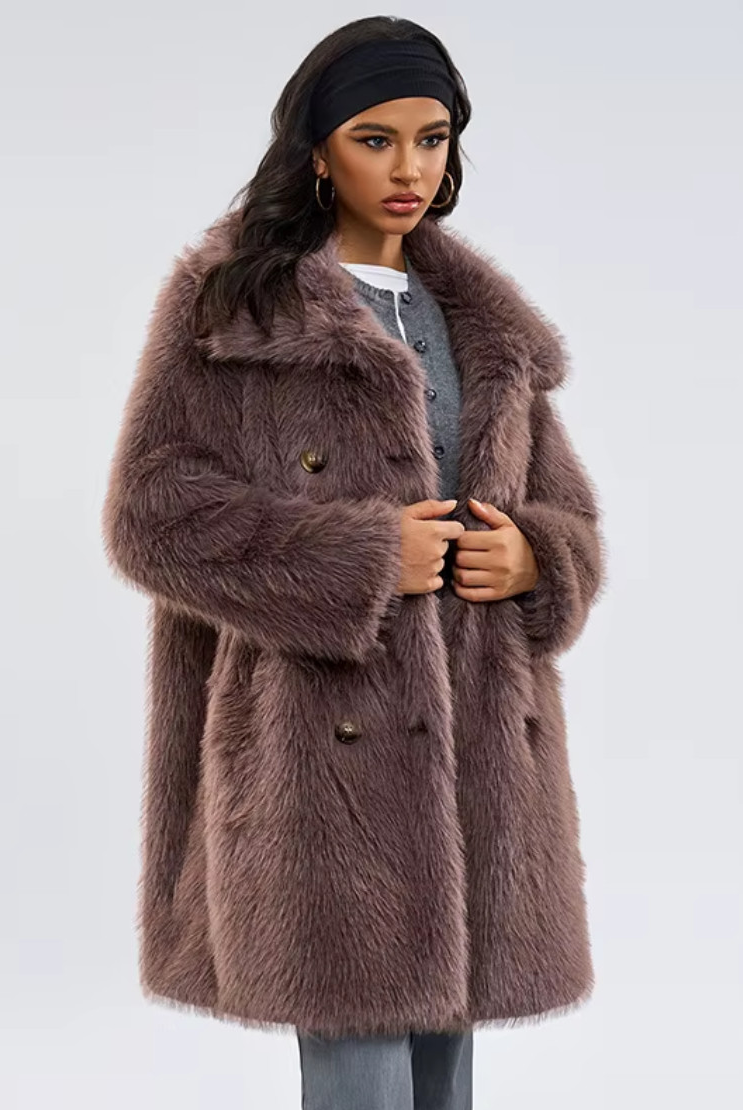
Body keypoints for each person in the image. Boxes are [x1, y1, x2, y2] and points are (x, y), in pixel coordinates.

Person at [101, 15, 606, 1110]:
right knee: (361, 1075)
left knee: (446, 1075)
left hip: (481, 753)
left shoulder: (487, 327)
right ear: (319, 151)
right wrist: (364, 556)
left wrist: (536, 559)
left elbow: (566, 514)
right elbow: (152, 513)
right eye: (376, 139)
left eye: (433, 139)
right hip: (320, 758)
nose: (410, 168)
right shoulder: (236, 307)